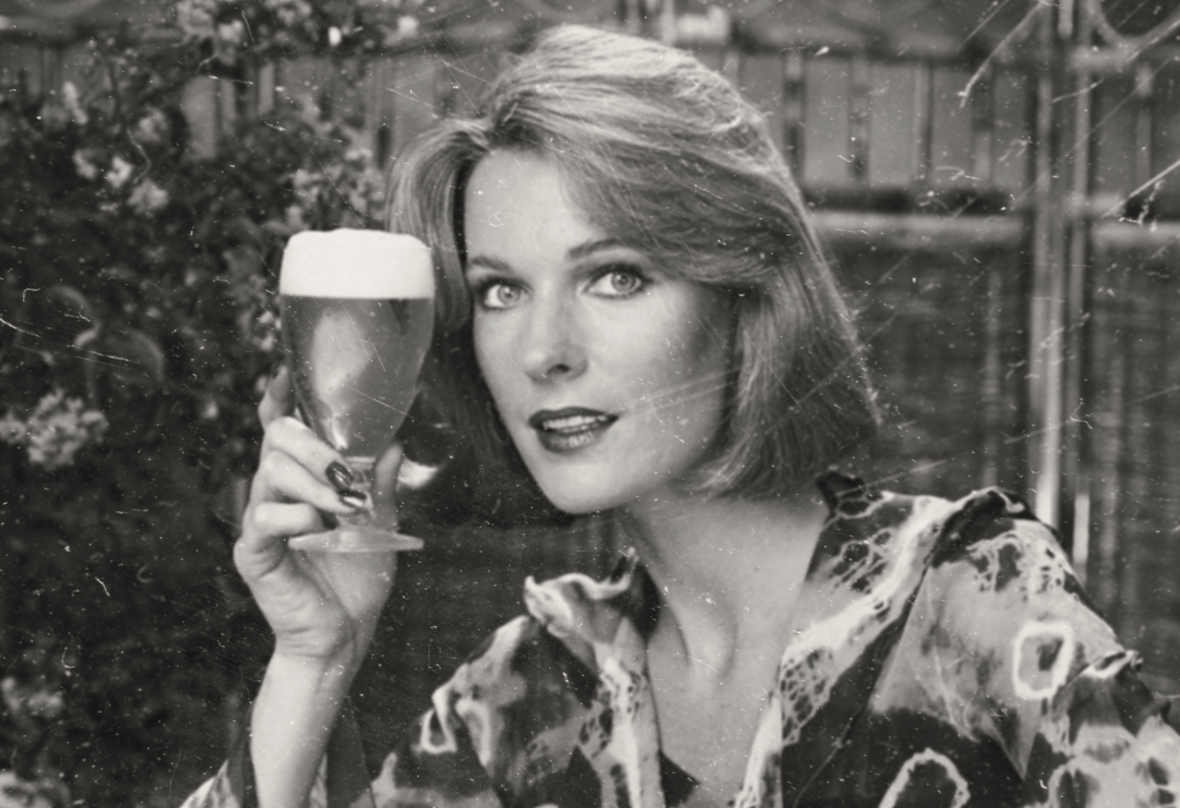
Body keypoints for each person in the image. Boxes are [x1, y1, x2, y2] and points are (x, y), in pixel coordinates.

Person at [182, 24, 1180, 808]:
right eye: (499, 290)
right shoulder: (530, 693)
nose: (543, 350)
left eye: (614, 275)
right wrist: (317, 655)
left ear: (742, 295)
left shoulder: (968, 598)